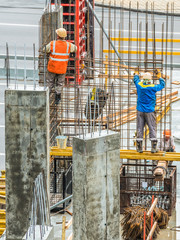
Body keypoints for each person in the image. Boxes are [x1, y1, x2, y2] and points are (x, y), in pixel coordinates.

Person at [133, 69, 165, 153]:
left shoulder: (139, 86)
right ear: (150, 79)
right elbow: (162, 85)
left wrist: (136, 74)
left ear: (143, 79)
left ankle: (139, 147)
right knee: (152, 127)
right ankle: (153, 147)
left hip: (140, 110)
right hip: (150, 111)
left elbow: (136, 80)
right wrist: (159, 76)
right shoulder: (152, 87)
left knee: (139, 128)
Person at [44, 28, 77, 104]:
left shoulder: (53, 43)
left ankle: (47, 96)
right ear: (64, 37)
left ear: (58, 36)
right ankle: (57, 98)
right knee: (60, 83)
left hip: (52, 67)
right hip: (62, 68)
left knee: (50, 82)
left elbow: (45, 49)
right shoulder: (68, 45)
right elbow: (75, 48)